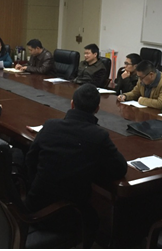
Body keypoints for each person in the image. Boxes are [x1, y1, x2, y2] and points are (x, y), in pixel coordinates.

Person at [25, 83, 127, 246]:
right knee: (94, 218)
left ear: (72, 104)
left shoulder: (50, 125)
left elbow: (30, 159)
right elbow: (120, 169)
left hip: (34, 204)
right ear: (97, 109)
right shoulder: (98, 136)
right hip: (66, 214)